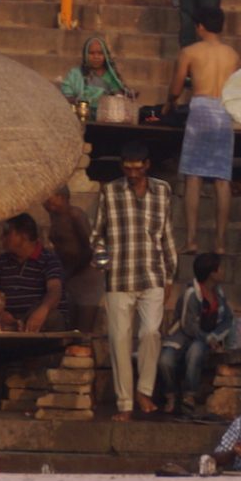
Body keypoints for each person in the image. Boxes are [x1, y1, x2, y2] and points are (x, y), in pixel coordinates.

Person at [91, 143, 177, 419]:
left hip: (153, 273)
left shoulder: (162, 190)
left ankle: (144, 390)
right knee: (119, 341)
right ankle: (125, 405)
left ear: (147, 166)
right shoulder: (110, 191)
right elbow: (97, 235)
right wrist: (102, 260)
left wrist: (170, 276)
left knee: (151, 332)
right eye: (127, 168)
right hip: (118, 277)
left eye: (137, 169)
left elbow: (166, 235)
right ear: (122, 167)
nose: (132, 173)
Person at [171, 3, 239, 253]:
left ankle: (191, 239)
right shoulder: (232, 55)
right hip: (223, 111)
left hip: (200, 108)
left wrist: (170, 102)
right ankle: (220, 243)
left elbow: (176, 88)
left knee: (193, 176)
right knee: (222, 179)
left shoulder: (190, 52)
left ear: (200, 26)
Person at [156, 252, 233, 420]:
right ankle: (170, 395)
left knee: (196, 352)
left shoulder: (219, 294)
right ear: (212, 273)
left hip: (203, 339)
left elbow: (227, 320)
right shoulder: (191, 294)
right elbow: (187, 325)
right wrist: (207, 339)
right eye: (219, 268)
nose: (222, 271)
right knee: (165, 361)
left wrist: (214, 337)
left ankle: (189, 395)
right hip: (181, 336)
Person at [0, 214, 62, 333]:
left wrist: (42, 310)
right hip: (7, 321)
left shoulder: (48, 259)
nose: (2, 238)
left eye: (7, 233)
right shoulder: (1, 261)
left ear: (24, 236)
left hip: (35, 319)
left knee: (52, 317)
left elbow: (55, 290)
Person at [43, 186, 98, 331]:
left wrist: (72, 272)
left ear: (61, 197)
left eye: (48, 198)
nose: (44, 202)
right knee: (71, 324)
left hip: (85, 272)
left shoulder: (76, 215)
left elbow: (90, 248)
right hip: (68, 272)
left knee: (83, 327)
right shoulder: (54, 215)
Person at [59, 34, 128, 112]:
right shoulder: (75, 74)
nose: (96, 57)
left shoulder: (112, 76)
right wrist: (81, 101)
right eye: (91, 53)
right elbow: (66, 95)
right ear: (85, 55)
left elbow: (119, 97)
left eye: (100, 53)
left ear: (105, 55)